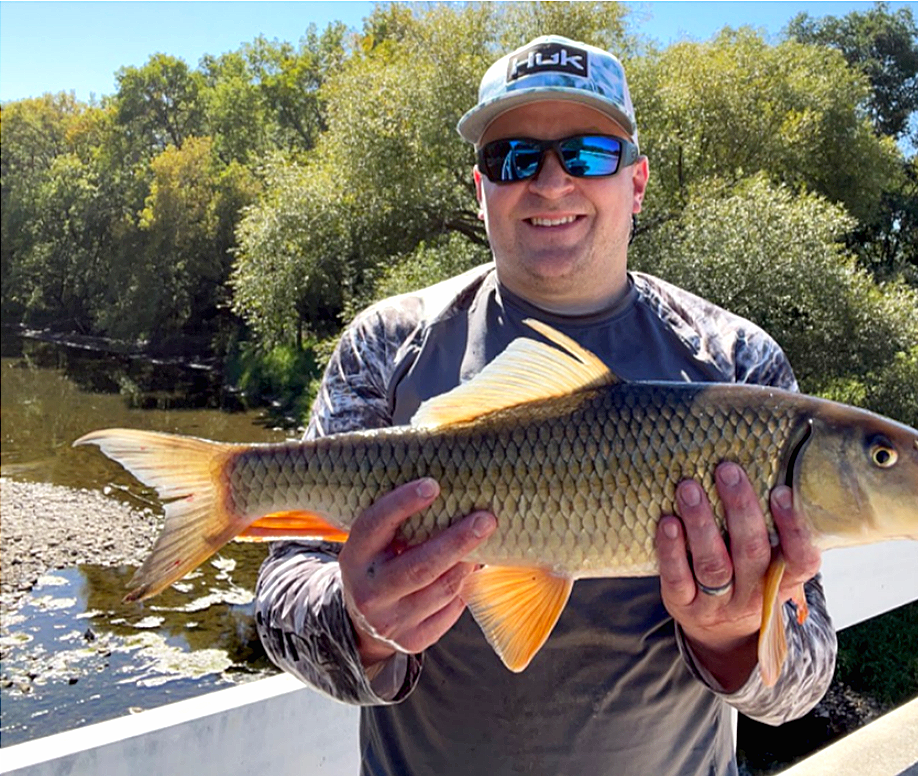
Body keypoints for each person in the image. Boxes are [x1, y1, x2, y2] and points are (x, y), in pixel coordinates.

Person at [255, 35, 836, 775]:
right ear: (481, 188)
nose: (552, 182)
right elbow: (281, 599)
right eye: (514, 158)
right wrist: (359, 624)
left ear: (636, 182)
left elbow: (804, 682)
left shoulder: (736, 364)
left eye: (588, 154)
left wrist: (732, 635)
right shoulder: (386, 344)